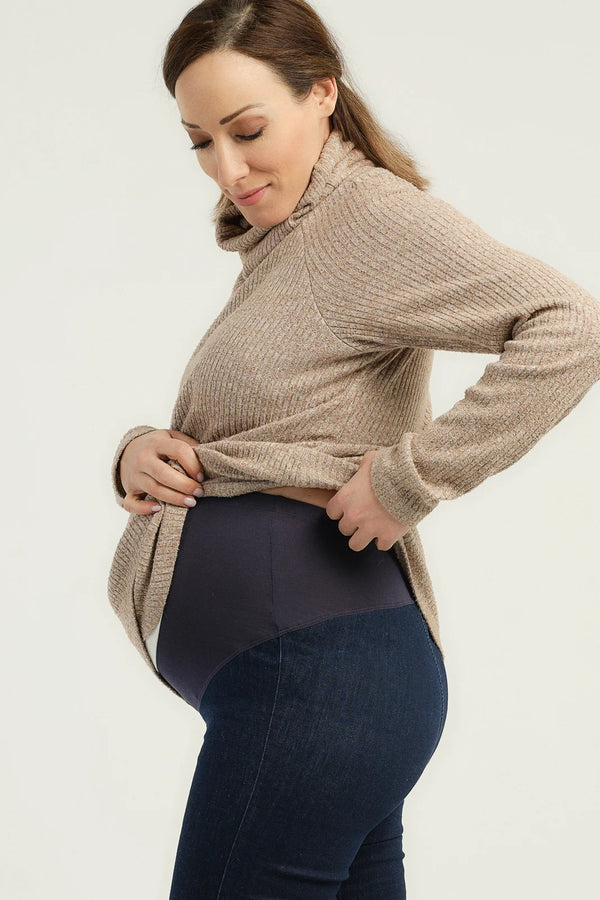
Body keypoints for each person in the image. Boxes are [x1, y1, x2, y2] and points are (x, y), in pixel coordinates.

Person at [107, 1, 600, 897]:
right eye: (201, 142)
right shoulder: (290, 240)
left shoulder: (364, 218)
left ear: (322, 94)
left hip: (314, 681)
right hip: (318, 684)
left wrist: (414, 478)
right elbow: (268, 428)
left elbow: (571, 326)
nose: (227, 168)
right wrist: (140, 452)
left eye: (247, 131)